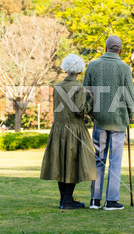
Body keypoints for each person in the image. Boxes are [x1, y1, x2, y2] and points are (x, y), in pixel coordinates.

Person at [83, 36, 134, 211]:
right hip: (119, 121)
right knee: (115, 160)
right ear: (120, 50)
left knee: (98, 159)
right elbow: (129, 94)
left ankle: (94, 200)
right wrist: (131, 114)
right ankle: (111, 201)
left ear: (105, 48)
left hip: (99, 120)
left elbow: (86, 92)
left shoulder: (92, 65)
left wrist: (91, 113)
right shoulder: (125, 68)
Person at [40, 54, 96, 210]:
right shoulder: (79, 88)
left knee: (61, 164)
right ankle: (67, 201)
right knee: (72, 164)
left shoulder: (57, 87)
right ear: (79, 71)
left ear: (65, 69)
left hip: (58, 128)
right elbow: (79, 110)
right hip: (74, 128)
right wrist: (90, 100)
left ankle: (64, 199)